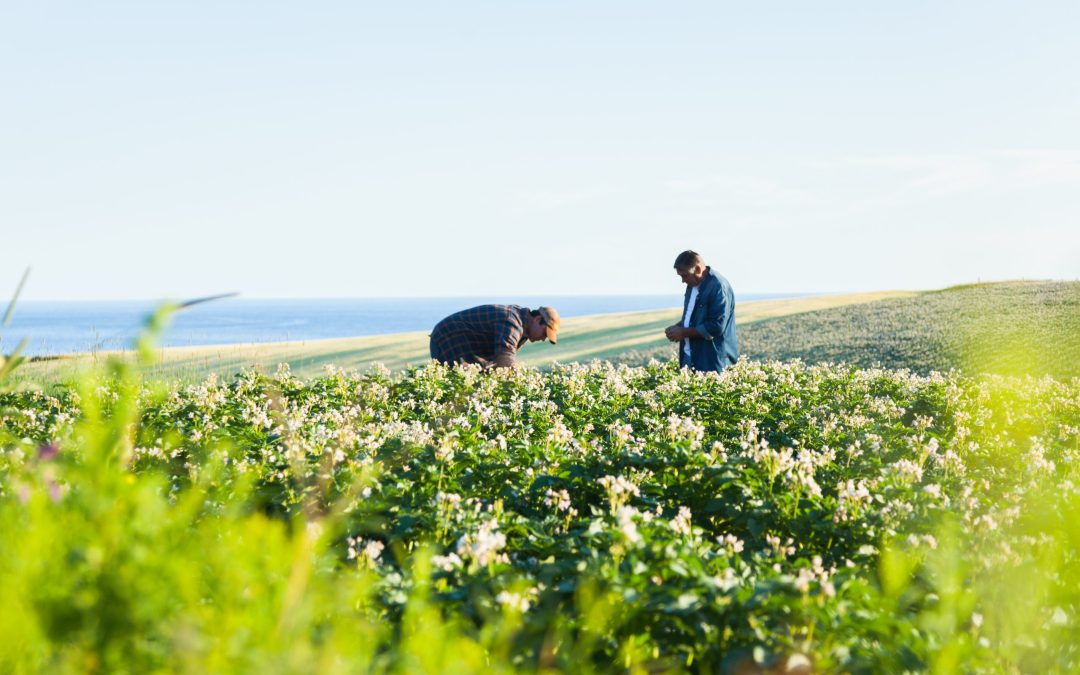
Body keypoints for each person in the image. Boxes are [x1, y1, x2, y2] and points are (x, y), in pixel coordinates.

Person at [664, 250, 738, 372]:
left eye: (685, 275)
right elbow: (694, 319)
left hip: (712, 362)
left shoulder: (718, 286)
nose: (683, 280)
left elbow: (717, 326)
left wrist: (683, 332)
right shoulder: (692, 285)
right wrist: (677, 327)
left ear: (698, 269)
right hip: (690, 358)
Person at [430, 304, 560, 369]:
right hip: (450, 335)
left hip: (463, 340)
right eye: (544, 333)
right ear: (537, 320)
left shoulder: (522, 327)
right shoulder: (512, 321)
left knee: (485, 374)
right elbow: (505, 357)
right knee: (465, 382)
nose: (543, 338)